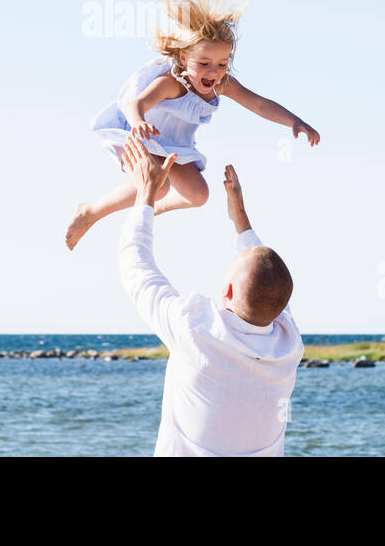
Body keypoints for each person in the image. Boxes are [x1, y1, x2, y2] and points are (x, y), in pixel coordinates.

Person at [66, 0, 319, 249]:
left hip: (175, 145)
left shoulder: (222, 85)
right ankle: (90, 212)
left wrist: (295, 121)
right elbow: (135, 104)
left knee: (199, 195)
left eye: (222, 63)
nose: (214, 71)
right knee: (159, 185)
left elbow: (258, 104)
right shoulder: (172, 83)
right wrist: (138, 121)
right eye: (205, 63)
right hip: (139, 137)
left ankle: (156, 205)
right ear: (184, 59)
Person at [116, 134, 303, 456]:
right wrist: (239, 217)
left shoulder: (195, 328)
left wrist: (146, 192)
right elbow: (267, 282)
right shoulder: (288, 345)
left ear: (227, 290)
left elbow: (137, 268)